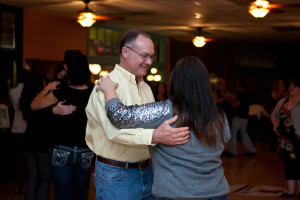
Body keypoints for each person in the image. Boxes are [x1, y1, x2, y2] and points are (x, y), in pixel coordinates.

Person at [97, 55, 230, 200]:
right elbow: (223, 141)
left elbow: (119, 116)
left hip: (175, 195)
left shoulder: (164, 111)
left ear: (175, 82)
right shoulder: (220, 116)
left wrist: (109, 89)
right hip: (217, 194)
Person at [85, 29, 190, 200]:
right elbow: (114, 132)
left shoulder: (146, 87)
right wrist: (156, 135)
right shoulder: (106, 86)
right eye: (144, 55)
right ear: (125, 52)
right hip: (116, 174)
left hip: (147, 170)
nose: (149, 62)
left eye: (152, 57)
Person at [31, 53, 94, 200]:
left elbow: (34, 105)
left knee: (62, 195)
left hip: (61, 149)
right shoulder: (95, 93)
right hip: (85, 149)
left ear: (68, 71)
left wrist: (47, 88)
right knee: (81, 194)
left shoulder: (61, 91)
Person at [19, 73, 52, 200]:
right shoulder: (42, 101)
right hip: (41, 142)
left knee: (32, 177)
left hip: (28, 141)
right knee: (45, 177)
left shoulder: (26, 99)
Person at [270, 78, 300, 198]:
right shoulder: (283, 101)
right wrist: (275, 124)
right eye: (290, 86)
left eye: (295, 86)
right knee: (288, 165)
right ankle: (291, 192)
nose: (291, 88)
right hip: (285, 141)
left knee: (299, 166)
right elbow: (273, 115)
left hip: (298, 141)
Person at [8, 69, 30, 193]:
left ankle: (17, 181)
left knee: (18, 156)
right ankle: (25, 180)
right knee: (27, 156)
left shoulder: (12, 91)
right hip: (26, 126)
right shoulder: (28, 90)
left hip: (16, 126)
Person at [224, 80, 256, 156]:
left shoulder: (241, 94)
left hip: (239, 117)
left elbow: (235, 105)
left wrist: (228, 99)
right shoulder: (246, 94)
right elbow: (236, 98)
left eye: (237, 85)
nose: (236, 87)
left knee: (233, 133)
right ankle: (252, 150)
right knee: (244, 134)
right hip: (245, 117)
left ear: (240, 86)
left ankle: (233, 151)